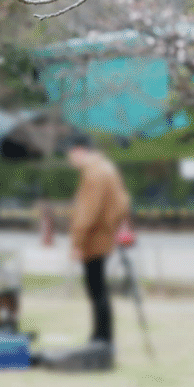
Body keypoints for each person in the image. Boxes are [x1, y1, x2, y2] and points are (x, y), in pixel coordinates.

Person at [67, 133, 130, 353]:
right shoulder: (106, 168)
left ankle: (101, 338)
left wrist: (77, 241)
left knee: (96, 289)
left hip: (94, 238)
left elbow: (86, 212)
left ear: (79, 151)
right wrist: (111, 225)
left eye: (70, 155)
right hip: (103, 235)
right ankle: (102, 336)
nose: (70, 160)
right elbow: (123, 203)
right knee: (99, 288)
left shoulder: (94, 173)